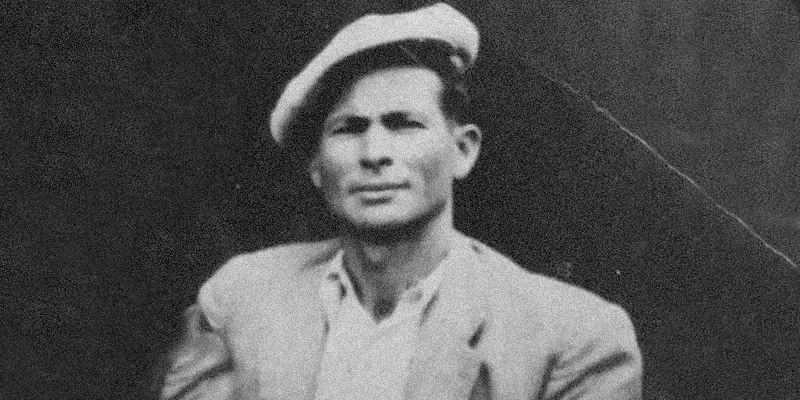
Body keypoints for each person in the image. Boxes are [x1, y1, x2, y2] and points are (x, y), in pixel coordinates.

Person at [160, 3, 643, 399]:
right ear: (316, 166)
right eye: (348, 129)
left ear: (463, 150)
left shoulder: (572, 337)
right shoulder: (241, 300)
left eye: (404, 124)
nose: (374, 154)